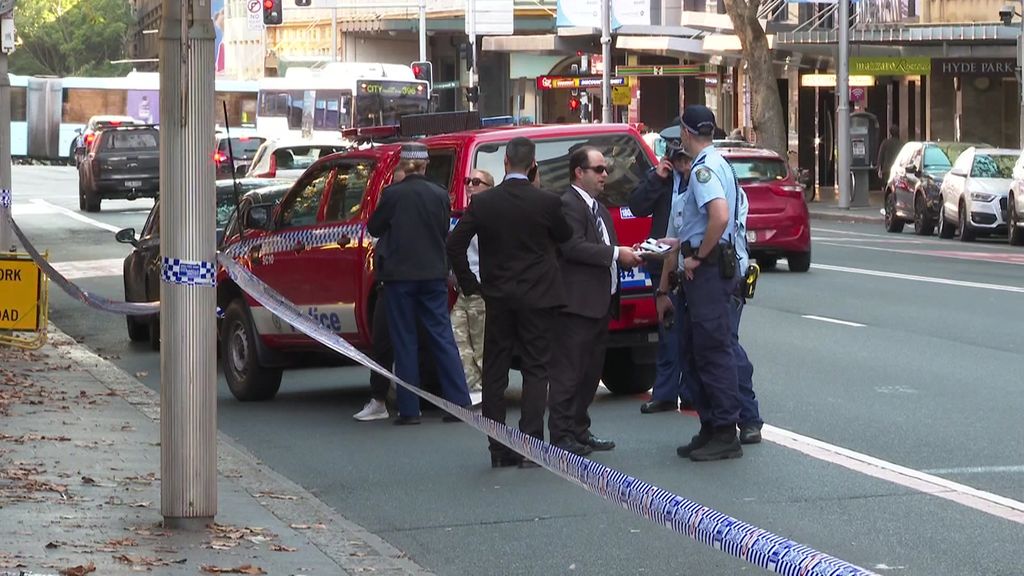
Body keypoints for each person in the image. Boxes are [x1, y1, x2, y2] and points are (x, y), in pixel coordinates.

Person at [447, 137, 572, 469]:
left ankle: (498, 447)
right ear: (533, 165)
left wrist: (471, 284)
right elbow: (565, 237)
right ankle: (531, 445)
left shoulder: (485, 203)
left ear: (505, 163)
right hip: (539, 296)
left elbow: (455, 243)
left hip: (498, 296)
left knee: (494, 371)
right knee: (535, 369)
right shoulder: (547, 202)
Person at [655, 105, 743, 462]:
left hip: (707, 271)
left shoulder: (705, 169)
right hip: (707, 270)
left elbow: (719, 216)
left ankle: (724, 430)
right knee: (694, 349)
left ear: (687, 134)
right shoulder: (721, 163)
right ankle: (710, 426)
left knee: (712, 351)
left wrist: (698, 257)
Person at [366, 143, 472, 425]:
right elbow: (442, 230)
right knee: (442, 337)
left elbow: (374, 227)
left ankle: (410, 409)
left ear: (403, 165)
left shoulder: (393, 195)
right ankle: (459, 403)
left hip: (399, 276)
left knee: (405, 340)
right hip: (433, 274)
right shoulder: (440, 194)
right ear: (425, 165)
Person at [548, 147, 642, 455]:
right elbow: (573, 247)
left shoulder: (598, 208)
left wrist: (630, 253)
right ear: (579, 172)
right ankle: (561, 435)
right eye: (599, 169)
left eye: (606, 168)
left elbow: (605, 246)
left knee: (590, 372)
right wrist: (617, 253)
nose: (605, 174)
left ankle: (579, 429)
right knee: (569, 372)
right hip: (575, 304)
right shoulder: (567, 204)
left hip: (601, 301)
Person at [628, 140, 696, 415]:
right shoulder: (662, 178)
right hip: (663, 264)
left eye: (684, 158)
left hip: (692, 261)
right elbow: (637, 206)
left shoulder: (700, 178)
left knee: (693, 332)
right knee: (668, 332)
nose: (680, 164)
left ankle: (691, 392)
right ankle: (665, 392)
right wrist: (658, 177)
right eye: (676, 158)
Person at [450, 169, 494, 407]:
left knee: (481, 346)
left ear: (489, 187)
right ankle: (474, 388)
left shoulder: (492, 215)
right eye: (468, 181)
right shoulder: (465, 216)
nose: (469, 185)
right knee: (457, 340)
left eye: (476, 182)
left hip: (481, 290)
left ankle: (487, 393)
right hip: (464, 291)